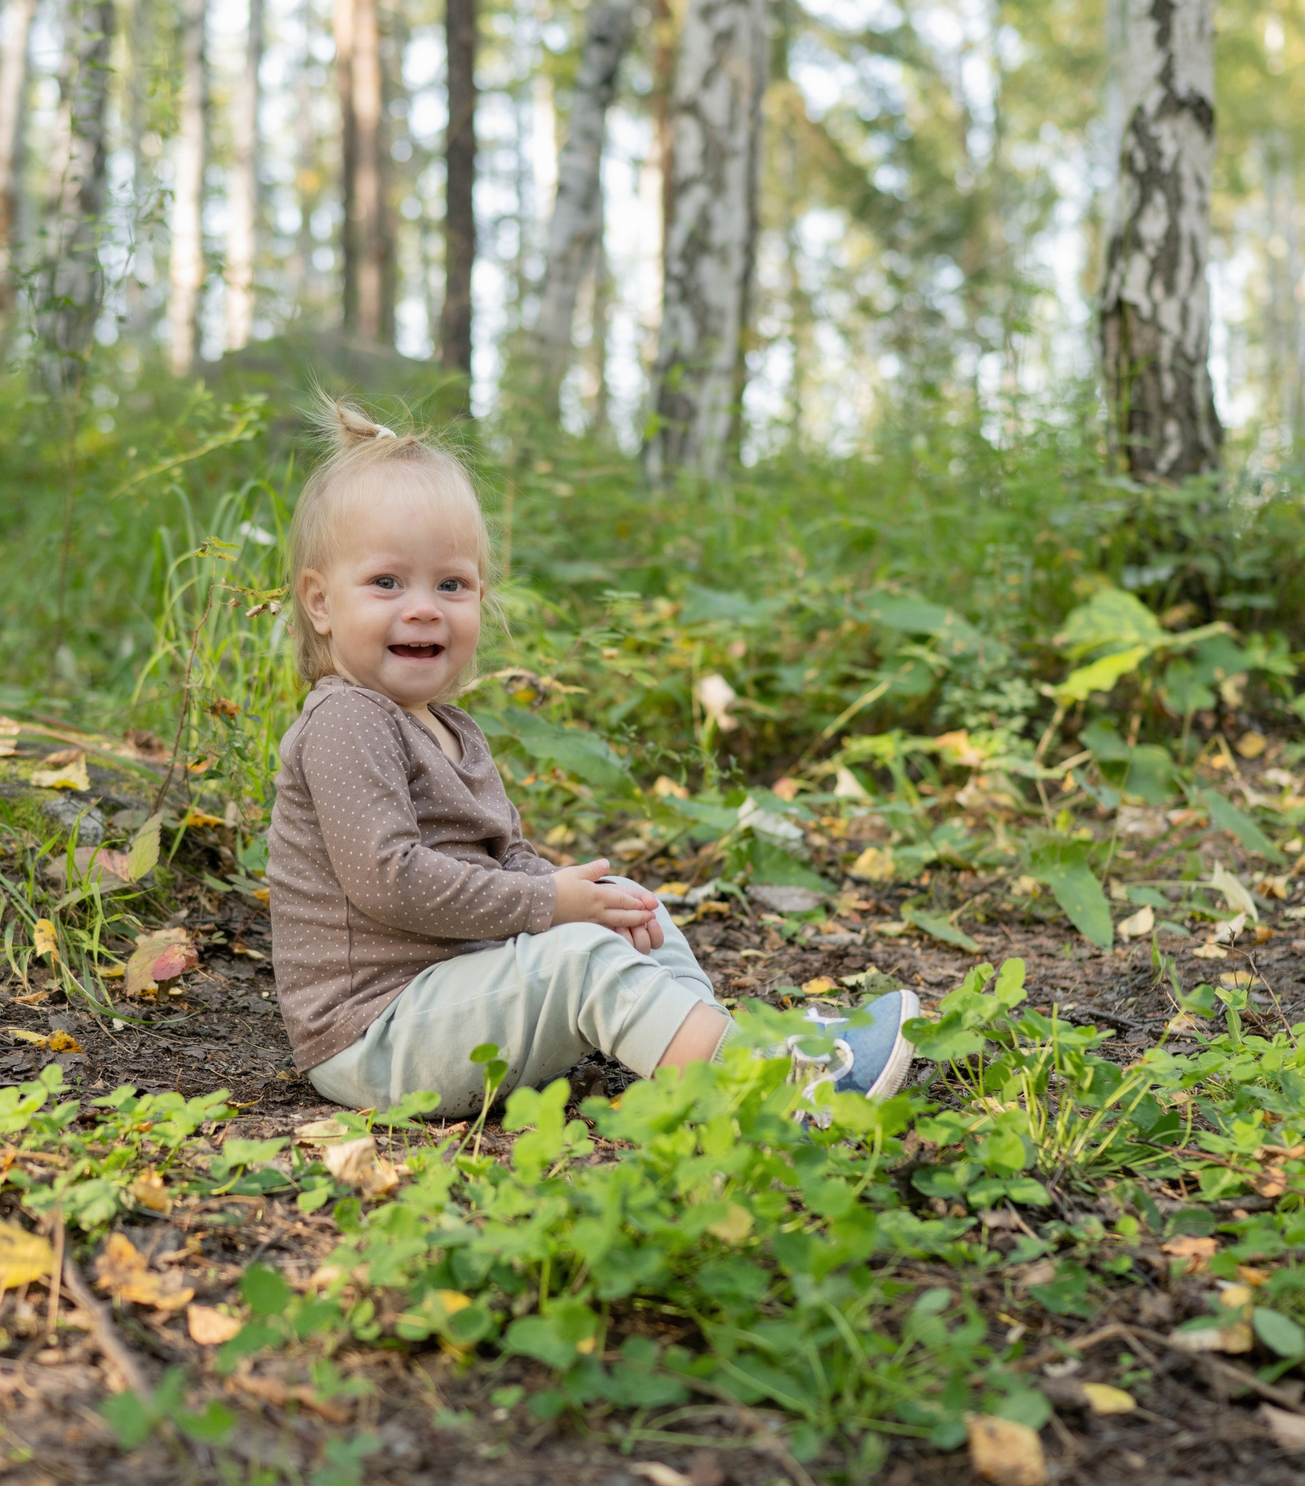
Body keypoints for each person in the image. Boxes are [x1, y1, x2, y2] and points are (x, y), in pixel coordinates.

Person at [264, 399, 918, 1118]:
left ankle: (723, 1053)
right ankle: (761, 1088)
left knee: (628, 900)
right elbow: (390, 880)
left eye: (450, 584)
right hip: (375, 1035)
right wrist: (549, 905)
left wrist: (578, 899)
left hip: (459, 995)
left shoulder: (453, 729)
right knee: (577, 956)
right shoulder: (347, 720)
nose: (424, 608)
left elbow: (506, 857)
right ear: (320, 602)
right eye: (387, 582)